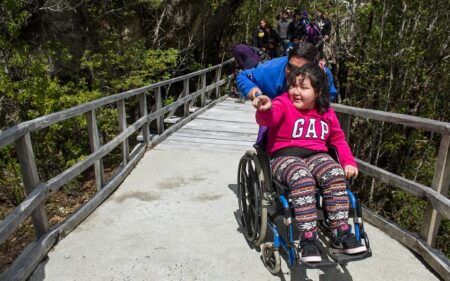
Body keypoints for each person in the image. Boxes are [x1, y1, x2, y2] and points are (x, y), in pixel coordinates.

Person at [253, 63, 367, 263]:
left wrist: (348, 162)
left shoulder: (326, 111)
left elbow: (338, 139)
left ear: (318, 91)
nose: (296, 92)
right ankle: (308, 239)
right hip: (284, 156)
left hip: (316, 155)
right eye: (293, 86)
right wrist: (265, 108)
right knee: (302, 177)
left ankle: (340, 233)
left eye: (303, 88)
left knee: (334, 172)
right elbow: (269, 118)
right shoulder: (282, 103)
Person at [236, 42, 319, 101]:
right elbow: (243, 76)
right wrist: (251, 88)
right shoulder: (269, 70)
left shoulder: (322, 77)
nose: (293, 74)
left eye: (300, 70)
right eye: (290, 67)